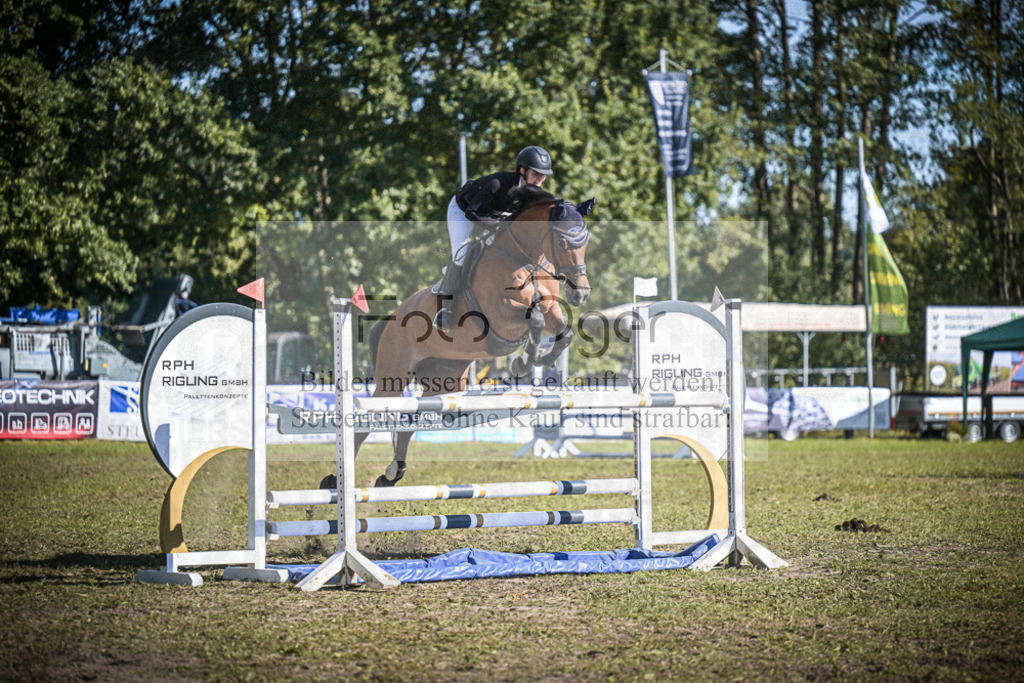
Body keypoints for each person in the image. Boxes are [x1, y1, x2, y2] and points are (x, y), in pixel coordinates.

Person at [433, 145, 553, 331]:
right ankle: (445, 308)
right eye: (536, 173)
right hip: (464, 210)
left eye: (543, 174)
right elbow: (473, 212)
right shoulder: (499, 184)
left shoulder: (533, 194)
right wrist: (498, 225)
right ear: (522, 170)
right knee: (462, 254)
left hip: (495, 215)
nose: (540, 178)